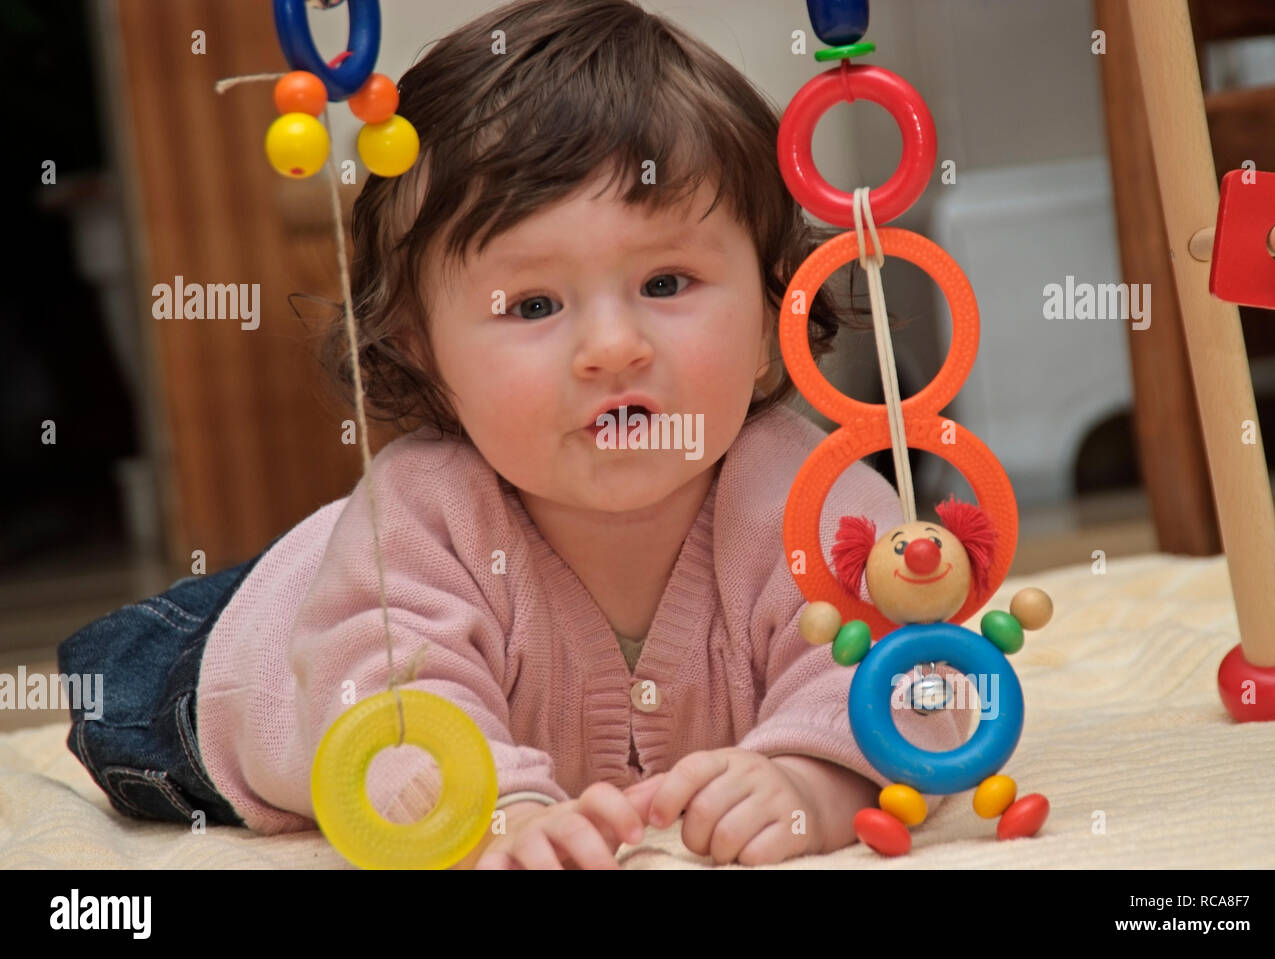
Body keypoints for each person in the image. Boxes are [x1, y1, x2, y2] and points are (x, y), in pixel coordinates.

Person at [59, 0, 974, 869]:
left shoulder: (816, 502)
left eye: (666, 284)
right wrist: (493, 810)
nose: (612, 348)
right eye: (534, 304)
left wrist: (810, 779)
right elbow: (385, 708)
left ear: (779, 305)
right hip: (217, 664)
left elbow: (920, 679)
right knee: (124, 692)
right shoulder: (428, 514)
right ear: (421, 350)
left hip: (354, 581)